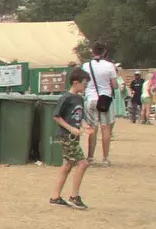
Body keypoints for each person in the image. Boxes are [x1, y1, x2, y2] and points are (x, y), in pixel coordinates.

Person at [49, 69, 93, 209]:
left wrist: (85, 126)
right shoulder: (66, 98)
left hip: (73, 136)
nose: (85, 86)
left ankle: (55, 196)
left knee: (67, 165)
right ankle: (74, 196)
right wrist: (70, 128)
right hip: (66, 135)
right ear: (76, 82)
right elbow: (56, 116)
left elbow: (80, 117)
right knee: (83, 163)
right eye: (84, 83)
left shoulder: (79, 98)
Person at [83, 42, 119, 165]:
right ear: (104, 52)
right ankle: (105, 158)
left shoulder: (86, 66)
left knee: (92, 128)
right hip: (105, 99)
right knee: (106, 128)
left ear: (92, 52)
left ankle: (90, 157)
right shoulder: (110, 66)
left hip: (90, 98)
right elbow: (115, 85)